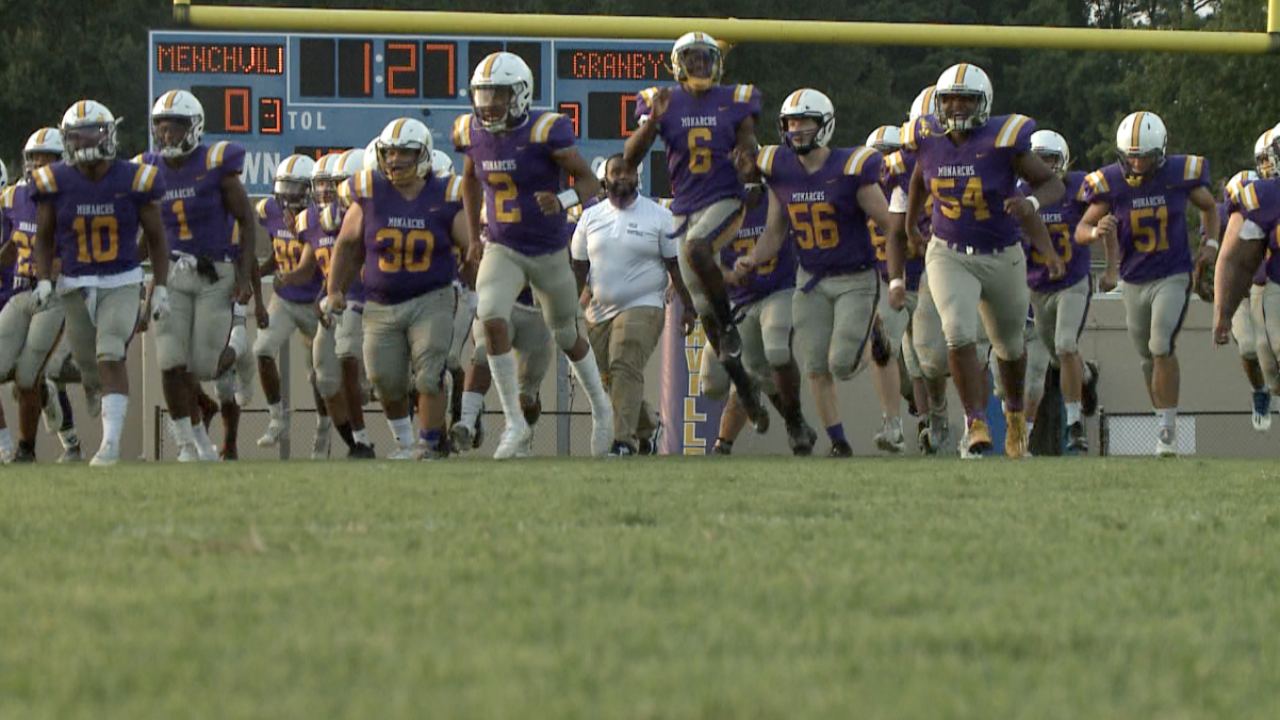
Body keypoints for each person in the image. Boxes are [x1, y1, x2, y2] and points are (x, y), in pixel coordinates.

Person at [455, 51, 613, 459]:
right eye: (483, 94)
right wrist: (474, 237)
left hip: (546, 250)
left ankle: (601, 408)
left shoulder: (546, 130)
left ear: (521, 95)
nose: (488, 104)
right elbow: (470, 181)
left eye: (498, 95)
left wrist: (561, 199)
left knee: (565, 334)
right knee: (490, 314)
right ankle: (514, 424)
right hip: (502, 245)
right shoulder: (470, 130)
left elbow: (591, 182)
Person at [903, 63, 1065, 459]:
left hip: (1001, 252)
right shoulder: (925, 135)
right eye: (949, 99)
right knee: (957, 332)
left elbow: (1052, 183)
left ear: (984, 102)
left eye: (966, 99)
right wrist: (910, 225)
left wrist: (1028, 203)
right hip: (948, 250)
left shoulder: (1004, 139)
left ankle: (1013, 419)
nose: (956, 106)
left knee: (1009, 347)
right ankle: (974, 421)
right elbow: (921, 178)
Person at [624, 31, 771, 434]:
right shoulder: (661, 100)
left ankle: (729, 330)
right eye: (693, 60)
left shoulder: (735, 99)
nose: (700, 66)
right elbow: (629, 158)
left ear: (716, 64)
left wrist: (748, 168)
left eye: (706, 59)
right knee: (703, 308)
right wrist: (653, 119)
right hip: (684, 208)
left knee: (697, 249)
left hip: (725, 199)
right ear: (678, 65)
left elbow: (748, 151)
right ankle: (749, 394)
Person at [738, 88, 891, 457]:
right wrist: (752, 259)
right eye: (791, 122)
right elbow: (776, 230)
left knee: (840, 363)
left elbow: (888, 222)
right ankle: (838, 441)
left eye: (805, 121)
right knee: (814, 365)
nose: (797, 129)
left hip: (855, 277)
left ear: (825, 124)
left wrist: (898, 270)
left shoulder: (851, 167)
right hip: (810, 279)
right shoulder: (780, 168)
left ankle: (875, 332)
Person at [32, 100, 171, 467]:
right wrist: (44, 278)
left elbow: (157, 236)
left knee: (110, 350)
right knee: (87, 364)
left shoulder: (133, 177)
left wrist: (162, 286)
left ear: (109, 133)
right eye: (77, 136)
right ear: (66, 140)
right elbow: (43, 236)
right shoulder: (54, 180)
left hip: (121, 279)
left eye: (92, 132)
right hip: (74, 282)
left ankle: (109, 446)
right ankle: (96, 389)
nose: (85, 142)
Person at [327, 117, 469, 459]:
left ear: (423, 155)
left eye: (404, 153)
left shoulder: (446, 193)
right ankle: (405, 444)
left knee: (429, 372)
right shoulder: (369, 190)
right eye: (389, 153)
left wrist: (475, 280)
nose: (395, 160)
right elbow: (346, 245)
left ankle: (430, 443)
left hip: (431, 297)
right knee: (384, 381)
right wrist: (335, 289)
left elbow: (470, 245)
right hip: (380, 301)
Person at [1078, 111, 1217, 457]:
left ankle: (1168, 431)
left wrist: (1210, 243)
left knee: (1160, 344)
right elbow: (1081, 229)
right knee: (1146, 358)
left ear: (1162, 153)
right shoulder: (1110, 182)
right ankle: (1162, 420)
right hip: (1133, 280)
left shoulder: (1177, 174)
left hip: (1172, 274)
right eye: (1132, 156)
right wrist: (1097, 232)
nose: (1138, 164)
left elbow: (1209, 207)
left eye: (1146, 157)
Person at [143, 89, 255, 462]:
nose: (168, 136)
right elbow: (145, 230)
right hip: (174, 270)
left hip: (215, 271)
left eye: (176, 128)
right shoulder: (148, 168)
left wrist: (243, 273)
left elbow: (246, 219)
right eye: (162, 128)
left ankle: (237, 349)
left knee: (203, 365)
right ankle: (188, 443)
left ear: (194, 128)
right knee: (170, 360)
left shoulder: (215, 163)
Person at [571, 154, 695, 456]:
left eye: (628, 172)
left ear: (638, 177)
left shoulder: (658, 216)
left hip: (645, 303)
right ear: (605, 179)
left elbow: (674, 265)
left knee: (624, 361)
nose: (622, 177)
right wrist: (570, 306)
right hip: (598, 310)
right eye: (616, 173)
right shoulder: (590, 217)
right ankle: (648, 427)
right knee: (610, 379)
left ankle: (622, 442)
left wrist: (688, 306)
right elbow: (578, 265)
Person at [276, 152, 375, 459]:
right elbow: (314, 264)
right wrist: (292, 277)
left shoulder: (372, 213)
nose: (328, 192)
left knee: (378, 378)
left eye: (336, 184)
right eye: (324, 185)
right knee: (326, 379)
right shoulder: (310, 221)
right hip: (334, 308)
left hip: (371, 305)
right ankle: (357, 444)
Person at [705, 180, 814, 455]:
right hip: (736, 302)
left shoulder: (779, 199)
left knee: (775, 346)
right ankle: (757, 400)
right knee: (713, 383)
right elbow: (701, 259)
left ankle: (792, 422)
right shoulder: (714, 210)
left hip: (777, 289)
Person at [1021, 130, 1107, 451]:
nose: (1044, 165)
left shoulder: (1080, 187)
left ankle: (1073, 425)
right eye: (1039, 159)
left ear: (1064, 160)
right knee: (1060, 357)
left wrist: (1111, 268)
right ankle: (1085, 377)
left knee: (1065, 344)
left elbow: (1105, 217)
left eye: (1050, 159)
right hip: (1038, 288)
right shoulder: (1021, 193)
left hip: (1072, 282)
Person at [252, 154, 331, 457]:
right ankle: (277, 416)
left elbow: (314, 266)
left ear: (309, 191)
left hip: (312, 301)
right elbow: (277, 252)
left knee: (317, 375)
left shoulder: (317, 217)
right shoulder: (268, 211)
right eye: (283, 188)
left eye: (295, 189)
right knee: (262, 349)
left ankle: (323, 428)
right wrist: (261, 271)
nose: (287, 197)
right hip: (285, 300)